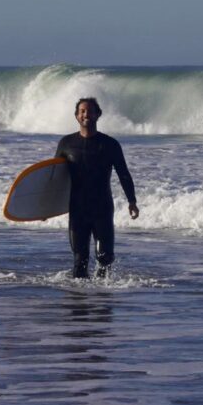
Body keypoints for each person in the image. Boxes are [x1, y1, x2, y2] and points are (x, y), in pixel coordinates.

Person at [55, 97, 139, 279]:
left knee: (105, 258)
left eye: (90, 111)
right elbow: (56, 177)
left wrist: (132, 201)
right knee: (80, 260)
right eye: (82, 111)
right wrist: (46, 207)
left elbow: (123, 174)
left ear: (98, 114)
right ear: (77, 116)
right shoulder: (66, 144)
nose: (86, 114)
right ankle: (80, 303)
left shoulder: (110, 144)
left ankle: (101, 300)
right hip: (77, 209)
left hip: (102, 208)